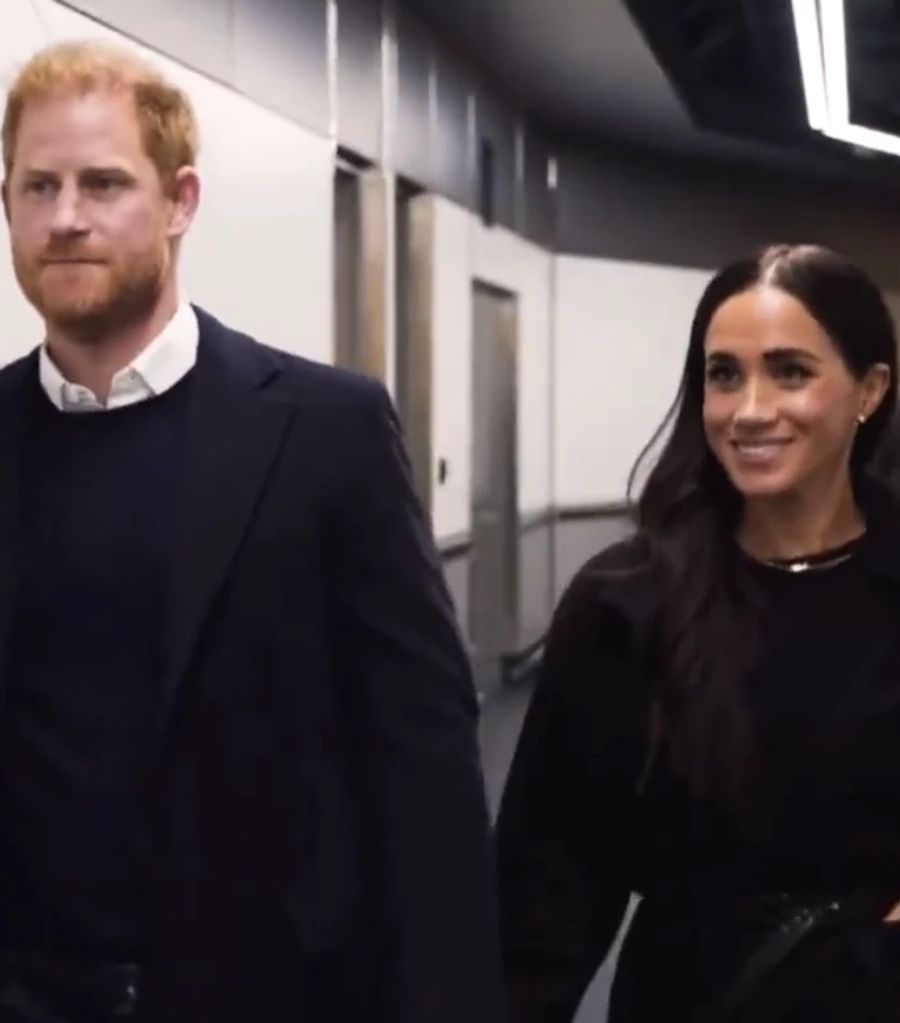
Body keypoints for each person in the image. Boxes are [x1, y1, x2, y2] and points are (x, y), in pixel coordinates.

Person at [0, 39, 504, 1023]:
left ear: (180, 201)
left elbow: (423, 765)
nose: (66, 218)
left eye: (104, 183)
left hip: (267, 989)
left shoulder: (326, 432)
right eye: (37, 186)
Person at [496, 243, 900, 1022]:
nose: (749, 409)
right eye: (724, 374)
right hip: (694, 997)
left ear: (869, 389)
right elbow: (548, 881)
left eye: (790, 372)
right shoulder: (629, 601)